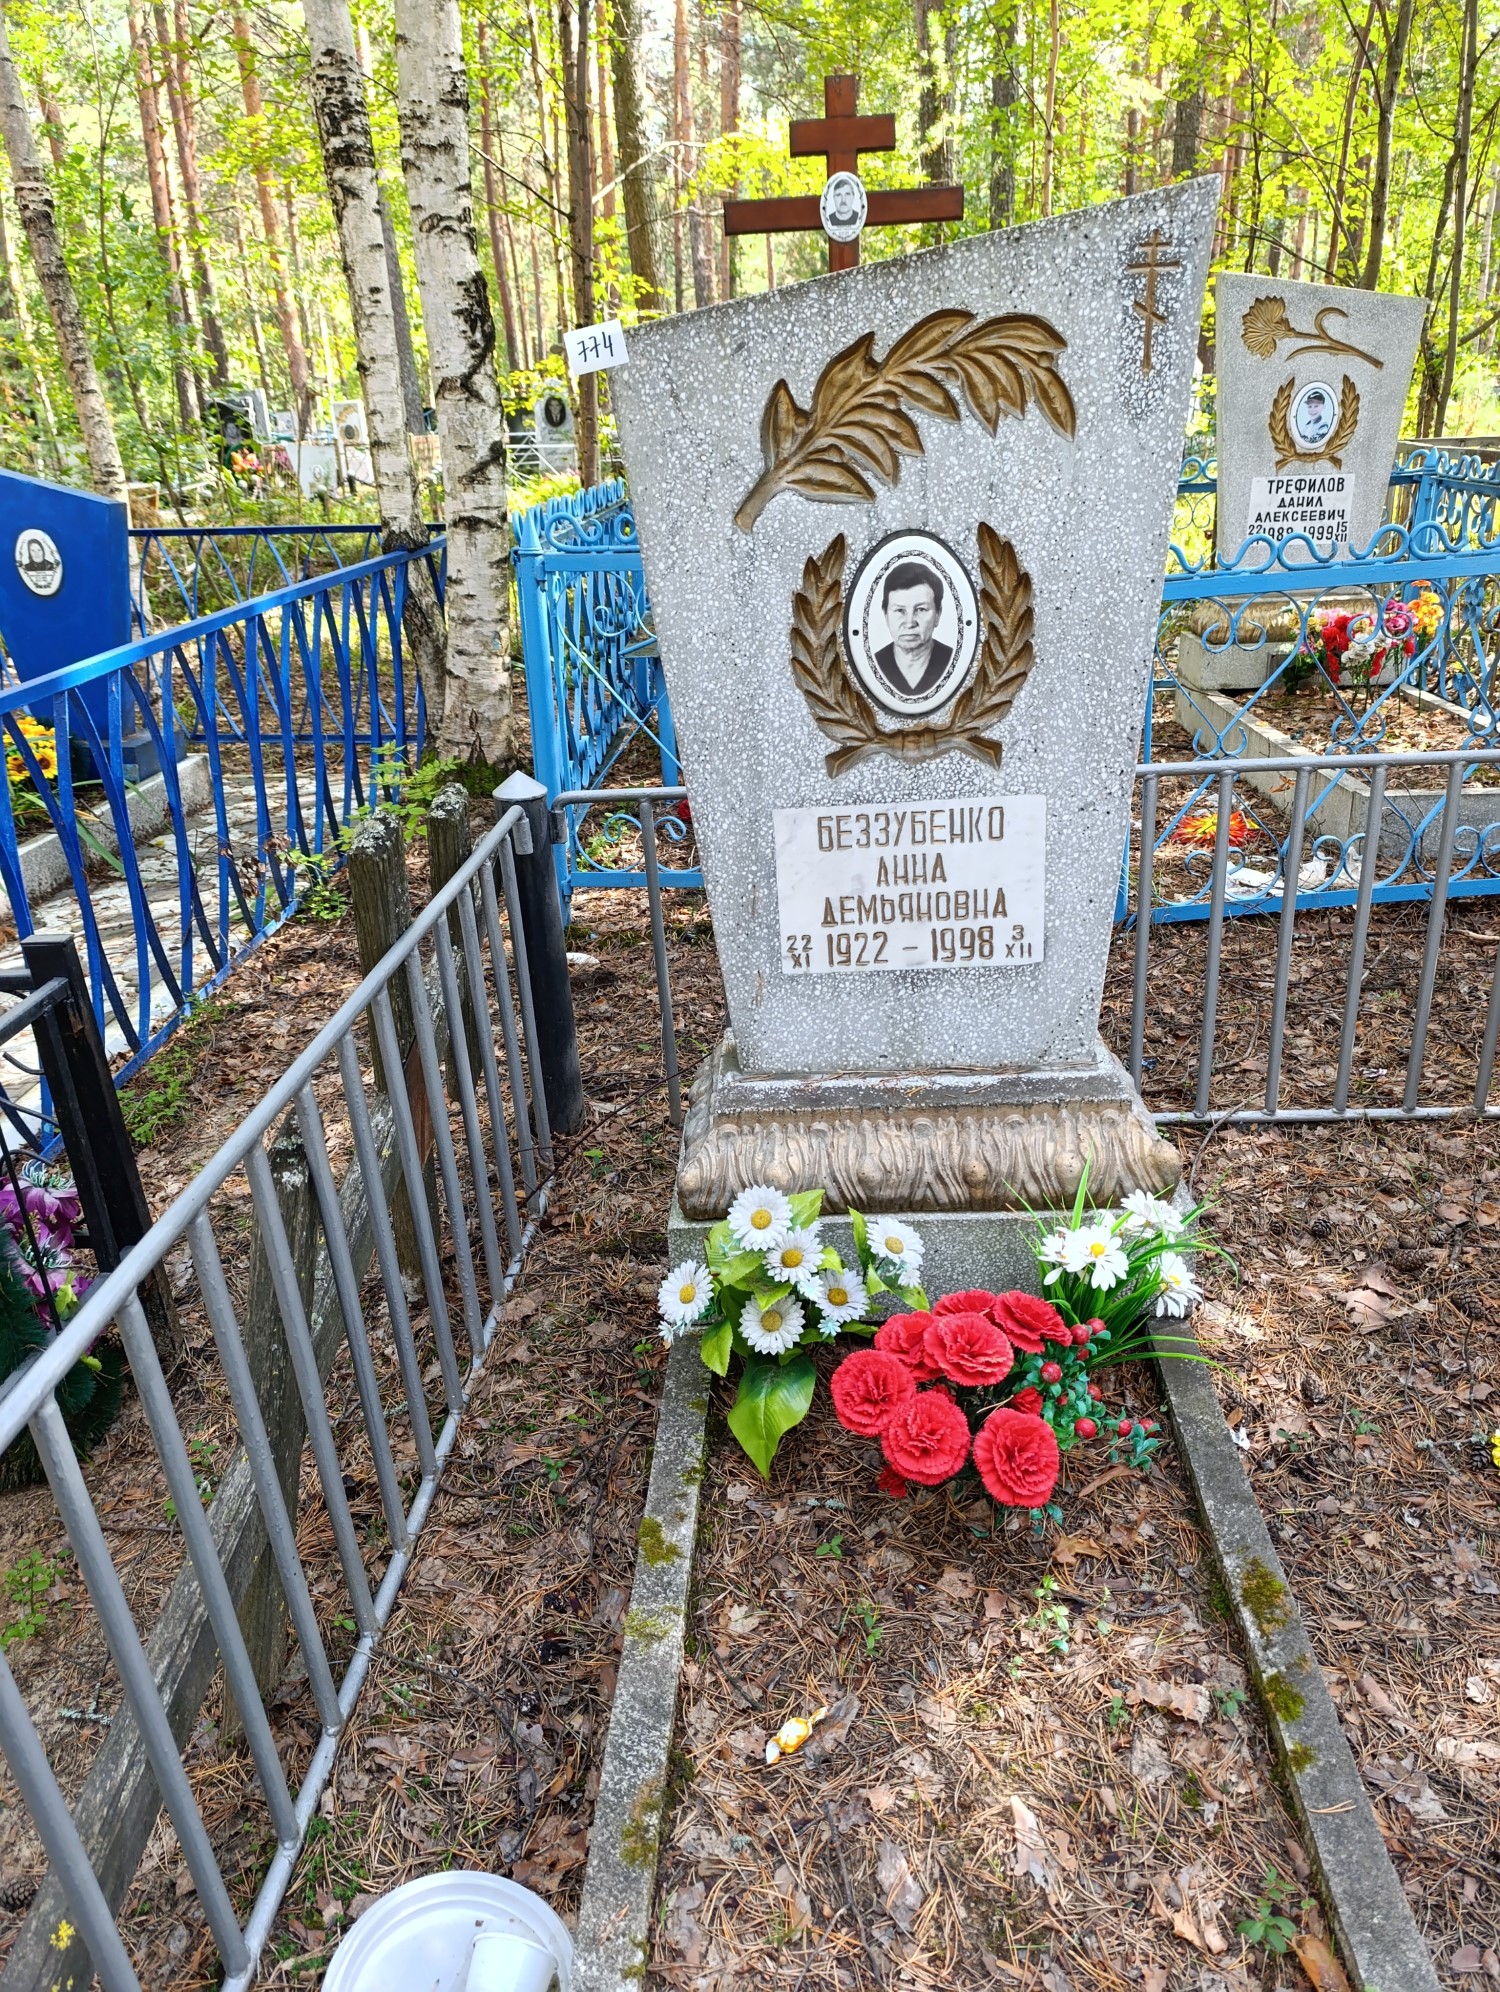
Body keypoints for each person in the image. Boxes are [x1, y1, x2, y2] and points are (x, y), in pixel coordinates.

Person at [871, 562, 953, 696]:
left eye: (921, 609)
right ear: (886, 615)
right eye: (899, 610)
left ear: (938, 614)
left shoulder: (953, 662)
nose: (909, 623)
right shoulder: (873, 665)